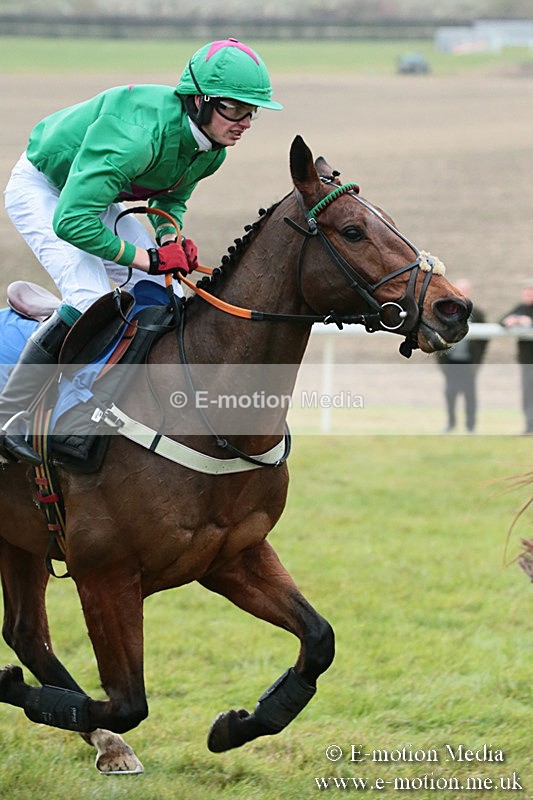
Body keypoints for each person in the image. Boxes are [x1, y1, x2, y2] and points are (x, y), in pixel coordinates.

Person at [0, 38, 283, 465]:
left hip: (97, 192)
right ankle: (12, 418)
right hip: (46, 189)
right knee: (89, 296)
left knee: (163, 290)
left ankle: (124, 400)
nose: (244, 121)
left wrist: (170, 241)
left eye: (252, 111)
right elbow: (71, 222)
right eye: (233, 108)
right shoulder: (137, 138)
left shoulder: (212, 149)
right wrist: (147, 257)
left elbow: (171, 199)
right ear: (200, 102)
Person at [437, 278, 487, 433]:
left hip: (468, 362)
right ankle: (451, 423)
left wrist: (477, 361)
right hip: (451, 362)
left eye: (464, 290)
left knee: (470, 395)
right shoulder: (445, 312)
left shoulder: (477, 314)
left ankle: (470, 426)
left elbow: (484, 340)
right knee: (450, 393)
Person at [500, 281, 533, 435]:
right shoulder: (521, 308)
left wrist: (529, 322)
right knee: (528, 395)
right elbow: (501, 320)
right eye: (526, 293)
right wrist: (511, 320)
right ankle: (529, 427)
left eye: (530, 293)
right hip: (527, 362)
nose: (527, 296)